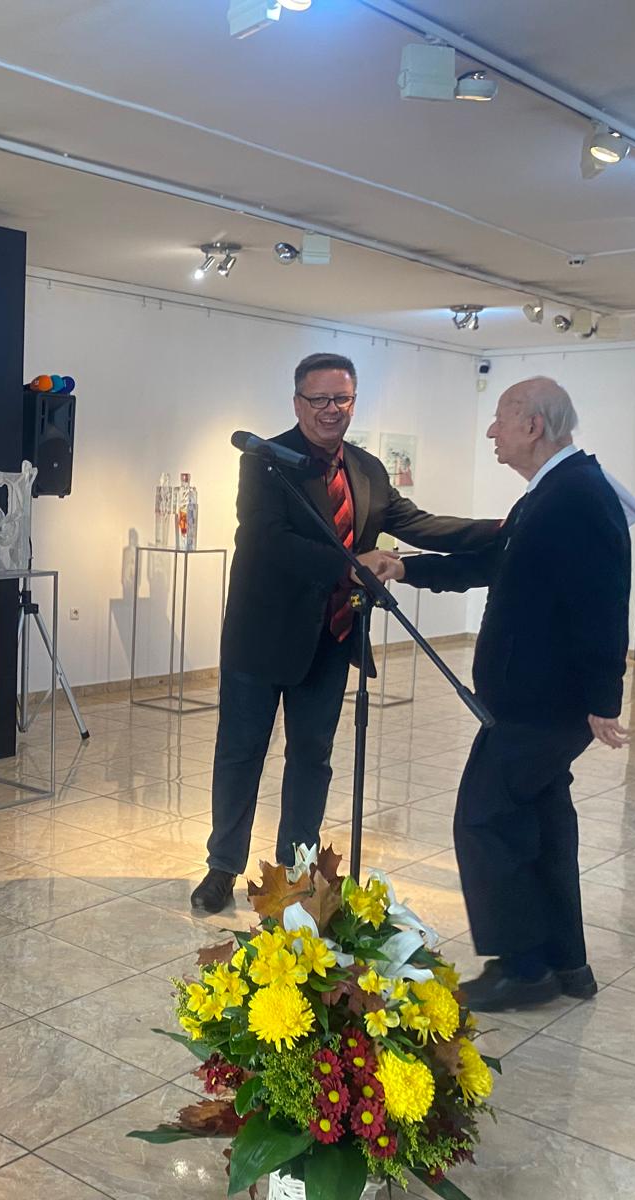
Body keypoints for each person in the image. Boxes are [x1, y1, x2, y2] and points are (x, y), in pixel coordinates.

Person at [191, 352, 499, 913]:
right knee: (240, 755)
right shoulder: (266, 462)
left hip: (331, 640)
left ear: (354, 402)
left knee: (312, 758)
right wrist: (350, 564)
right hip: (260, 639)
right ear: (297, 402)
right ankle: (222, 866)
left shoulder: (367, 469)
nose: (331, 410)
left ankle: (295, 872)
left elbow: (419, 524)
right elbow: (265, 540)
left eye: (342, 399)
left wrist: (501, 529)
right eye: (319, 399)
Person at [391, 376, 632, 1011]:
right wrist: (406, 567)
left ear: (533, 426)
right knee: (543, 824)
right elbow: (495, 563)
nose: (491, 430)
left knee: (485, 819)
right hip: (534, 702)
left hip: (541, 707)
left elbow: (604, 602)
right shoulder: (554, 491)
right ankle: (567, 963)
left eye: (501, 418)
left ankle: (523, 969)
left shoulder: (575, 495)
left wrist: (604, 697)